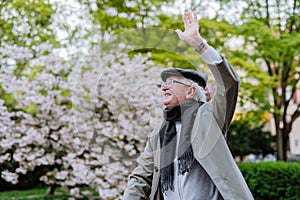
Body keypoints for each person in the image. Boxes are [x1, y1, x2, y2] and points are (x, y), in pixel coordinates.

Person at [122, 12, 254, 200]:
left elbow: (229, 84)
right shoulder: (159, 134)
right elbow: (140, 178)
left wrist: (200, 45)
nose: (164, 87)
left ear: (191, 91)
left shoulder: (209, 117)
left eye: (172, 83)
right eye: (163, 84)